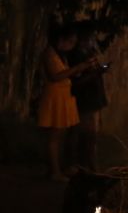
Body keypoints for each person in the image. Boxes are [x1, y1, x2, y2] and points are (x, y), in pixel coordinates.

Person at [37, 25, 98, 180]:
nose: (72, 46)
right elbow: (56, 76)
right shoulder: (49, 54)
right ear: (60, 40)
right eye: (70, 41)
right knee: (54, 137)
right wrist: (79, 67)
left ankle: (55, 169)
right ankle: (54, 172)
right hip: (55, 97)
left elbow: (65, 75)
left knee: (59, 136)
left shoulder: (59, 54)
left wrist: (82, 70)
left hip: (63, 96)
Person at [68, 22, 110, 172]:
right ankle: (79, 165)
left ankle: (88, 166)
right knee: (82, 133)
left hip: (92, 99)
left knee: (89, 135)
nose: (93, 40)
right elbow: (76, 80)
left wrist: (100, 69)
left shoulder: (88, 54)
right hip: (85, 99)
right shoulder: (76, 56)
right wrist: (96, 73)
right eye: (91, 37)